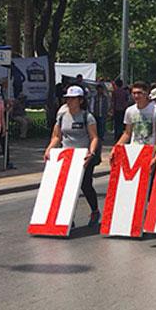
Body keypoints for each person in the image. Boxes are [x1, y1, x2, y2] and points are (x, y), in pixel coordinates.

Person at [44, 86, 101, 227]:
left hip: (83, 157)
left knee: (85, 186)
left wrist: (91, 153)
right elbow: (57, 136)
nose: (69, 101)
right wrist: (49, 149)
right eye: (68, 98)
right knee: (67, 187)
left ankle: (95, 211)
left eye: (73, 99)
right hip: (67, 156)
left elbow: (94, 137)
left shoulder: (87, 117)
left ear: (80, 100)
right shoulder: (62, 115)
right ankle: (67, 217)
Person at [116, 83, 156, 157]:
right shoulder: (129, 110)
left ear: (146, 94)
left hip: (150, 150)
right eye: (134, 93)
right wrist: (116, 148)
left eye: (139, 93)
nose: (136, 96)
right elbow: (127, 133)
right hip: (134, 150)